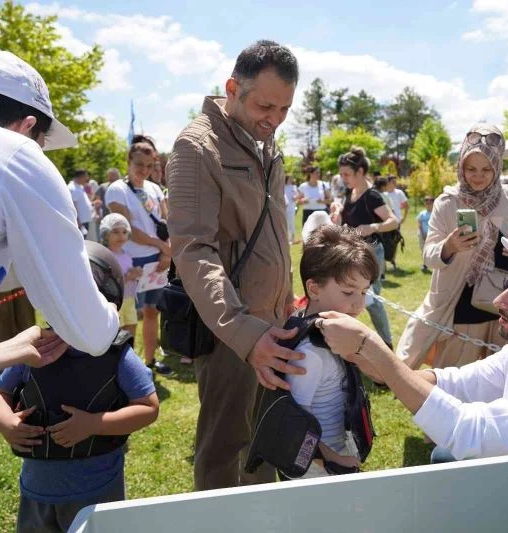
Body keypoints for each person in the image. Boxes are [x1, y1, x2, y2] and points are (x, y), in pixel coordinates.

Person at [317, 238, 508, 482]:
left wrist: (371, 346)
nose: (498, 300)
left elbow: (466, 430)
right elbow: (448, 383)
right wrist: (369, 359)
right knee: (444, 457)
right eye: (507, 287)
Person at [167, 40, 303, 490]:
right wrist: (247, 334)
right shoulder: (197, 146)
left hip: (274, 324)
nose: (275, 118)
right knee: (225, 450)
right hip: (232, 331)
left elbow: (275, 235)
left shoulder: (266, 143)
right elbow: (194, 250)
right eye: (266, 105)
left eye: (285, 109)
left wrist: (286, 304)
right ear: (231, 88)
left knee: (264, 443)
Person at [0, 49, 119, 397]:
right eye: (41, 144)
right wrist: (111, 307)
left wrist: (0, 351)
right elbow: (88, 332)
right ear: (27, 126)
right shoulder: (15, 154)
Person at [0, 242, 158, 533]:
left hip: (96, 490)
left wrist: (95, 424)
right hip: (37, 490)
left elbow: (148, 407)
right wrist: (6, 422)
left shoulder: (116, 356)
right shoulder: (34, 350)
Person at [398, 124, 508, 370]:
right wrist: (448, 247)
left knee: (502, 376)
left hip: (504, 302)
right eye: (471, 168)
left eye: (486, 169)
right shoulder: (448, 201)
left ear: (497, 166)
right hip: (461, 305)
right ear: (461, 166)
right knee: (455, 376)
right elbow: (429, 255)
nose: (478, 176)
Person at [287, 225, 379, 477]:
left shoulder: (333, 334)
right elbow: (293, 424)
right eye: (349, 292)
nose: (359, 303)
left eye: (364, 291)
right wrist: (334, 460)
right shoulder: (309, 354)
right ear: (314, 288)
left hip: (337, 449)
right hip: (315, 469)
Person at [106, 141, 172, 376]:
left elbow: (166, 221)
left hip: (156, 260)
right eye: (139, 164)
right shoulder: (116, 190)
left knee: (152, 310)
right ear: (128, 162)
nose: (144, 170)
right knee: (126, 315)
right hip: (128, 262)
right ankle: (123, 366)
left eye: (149, 165)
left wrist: (166, 251)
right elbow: (128, 229)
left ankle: (150, 360)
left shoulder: (154, 189)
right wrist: (162, 246)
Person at [338, 146, 399, 349]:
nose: (343, 178)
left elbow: (393, 221)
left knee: (372, 302)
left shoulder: (372, 196)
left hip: (372, 253)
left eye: (347, 174)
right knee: (345, 296)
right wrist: (337, 213)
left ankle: (386, 345)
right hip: (351, 253)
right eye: (341, 175)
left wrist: (372, 227)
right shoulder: (349, 192)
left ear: (360, 172)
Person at [100, 214, 142, 337]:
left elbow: (127, 272)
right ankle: (119, 354)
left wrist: (136, 273)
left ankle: (130, 351)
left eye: (124, 232)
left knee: (132, 325)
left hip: (129, 298)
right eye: (115, 232)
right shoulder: (106, 256)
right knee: (118, 329)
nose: (121, 235)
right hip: (115, 301)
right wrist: (129, 277)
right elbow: (108, 282)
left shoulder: (126, 254)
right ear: (106, 233)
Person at [382, 176, 408, 271]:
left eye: (395, 181)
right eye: (393, 181)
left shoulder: (399, 193)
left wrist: (403, 218)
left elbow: (406, 205)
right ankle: (383, 264)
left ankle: (393, 261)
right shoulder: (383, 193)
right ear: (388, 183)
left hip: (396, 222)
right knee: (384, 242)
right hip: (385, 222)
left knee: (395, 241)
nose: (395, 183)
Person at [67, 169, 93, 238]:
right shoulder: (72, 188)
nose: (87, 179)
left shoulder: (80, 187)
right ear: (80, 177)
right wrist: (78, 222)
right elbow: (73, 207)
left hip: (84, 220)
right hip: (80, 222)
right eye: (86, 177)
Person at [417, 196, 434, 273]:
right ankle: (425, 264)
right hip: (422, 234)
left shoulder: (435, 213)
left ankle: (433, 263)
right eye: (426, 203)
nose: (428, 204)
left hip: (432, 234)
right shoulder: (422, 213)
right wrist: (423, 233)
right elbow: (419, 223)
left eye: (430, 203)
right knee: (423, 249)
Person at [284, 174, 299, 244]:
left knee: (291, 222)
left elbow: (296, 196)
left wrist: (295, 197)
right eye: (290, 178)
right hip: (284, 207)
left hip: (291, 207)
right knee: (285, 222)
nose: (291, 179)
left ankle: (292, 238)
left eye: (292, 178)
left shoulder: (294, 187)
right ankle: (286, 238)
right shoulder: (282, 186)